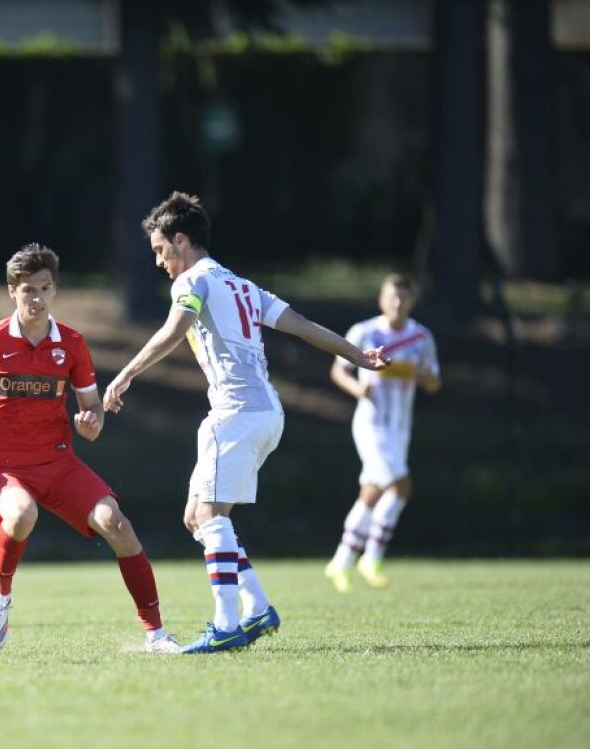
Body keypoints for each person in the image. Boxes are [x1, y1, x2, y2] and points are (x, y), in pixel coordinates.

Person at [103, 192, 389, 654]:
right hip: (266, 413)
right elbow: (300, 324)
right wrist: (358, 356)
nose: (159, 261)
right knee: (197, 517)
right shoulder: (241, 285)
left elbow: (175, 329)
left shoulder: (191, 281)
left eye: (160, 250)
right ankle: (257, 608)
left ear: (181, 239)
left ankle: (226, 623)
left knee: (210, 517)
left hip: (235, 413)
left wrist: (125, 374)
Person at [0, 243, 181, 654]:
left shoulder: (72, 343)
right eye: (29, 290)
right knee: (21, 514)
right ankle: (1, 596)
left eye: (45, 289)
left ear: (55, 290)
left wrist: (90, 424)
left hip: (58, 461)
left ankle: (155, 634)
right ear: (12, 290)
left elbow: (92, 415)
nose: (37, 298)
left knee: (117, 525)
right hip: (4, 464)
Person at [323, 274, 441, 592]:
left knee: (372, 494)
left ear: (412, 302)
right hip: (371, 425)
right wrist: (358, 389)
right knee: (401, 487)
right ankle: (372, 557)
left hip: (401, 427)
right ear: (381, 299)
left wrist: (425, 376)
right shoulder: (365, 332)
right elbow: (338, 370)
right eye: (393, 297)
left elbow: (433, 382)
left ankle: (341, 560)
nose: (398, 304)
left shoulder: (421, 338)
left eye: (404, 298)